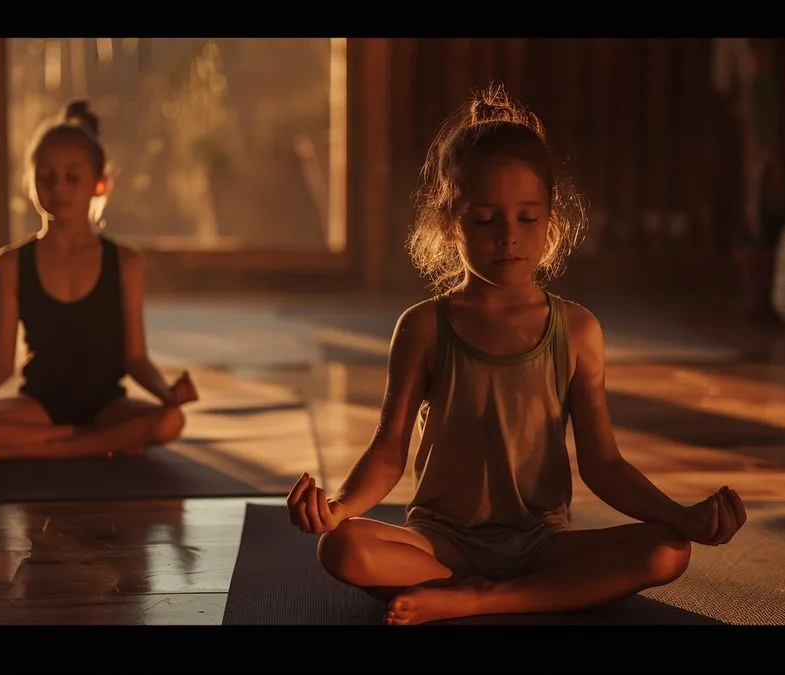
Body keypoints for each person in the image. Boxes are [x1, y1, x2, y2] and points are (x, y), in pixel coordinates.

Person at [285, 83, 747, 626]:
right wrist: (337, 509)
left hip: (541, 544)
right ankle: (526, 595)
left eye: (527, 218)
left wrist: (681, 516)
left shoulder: (577, 330)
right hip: (440, 543)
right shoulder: (424, 326)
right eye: (485, 219)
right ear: (449, 223)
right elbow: (388, 453)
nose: (508, 236)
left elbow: (603, 464)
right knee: (342, 548)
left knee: (668, 550)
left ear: (551, 223)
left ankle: (479, 599)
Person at [0, 100, 197, 464]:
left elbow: (137, 358)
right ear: (29, 184)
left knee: (170, 421)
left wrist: (167, 394)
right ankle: (83, 442)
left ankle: (43, 446)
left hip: (108, 406)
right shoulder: (10, 264)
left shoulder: (126, 263)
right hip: (37, 406)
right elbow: (0, 364)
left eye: (72, 178)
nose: (58, 187)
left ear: (99, 185)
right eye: (46, 177)